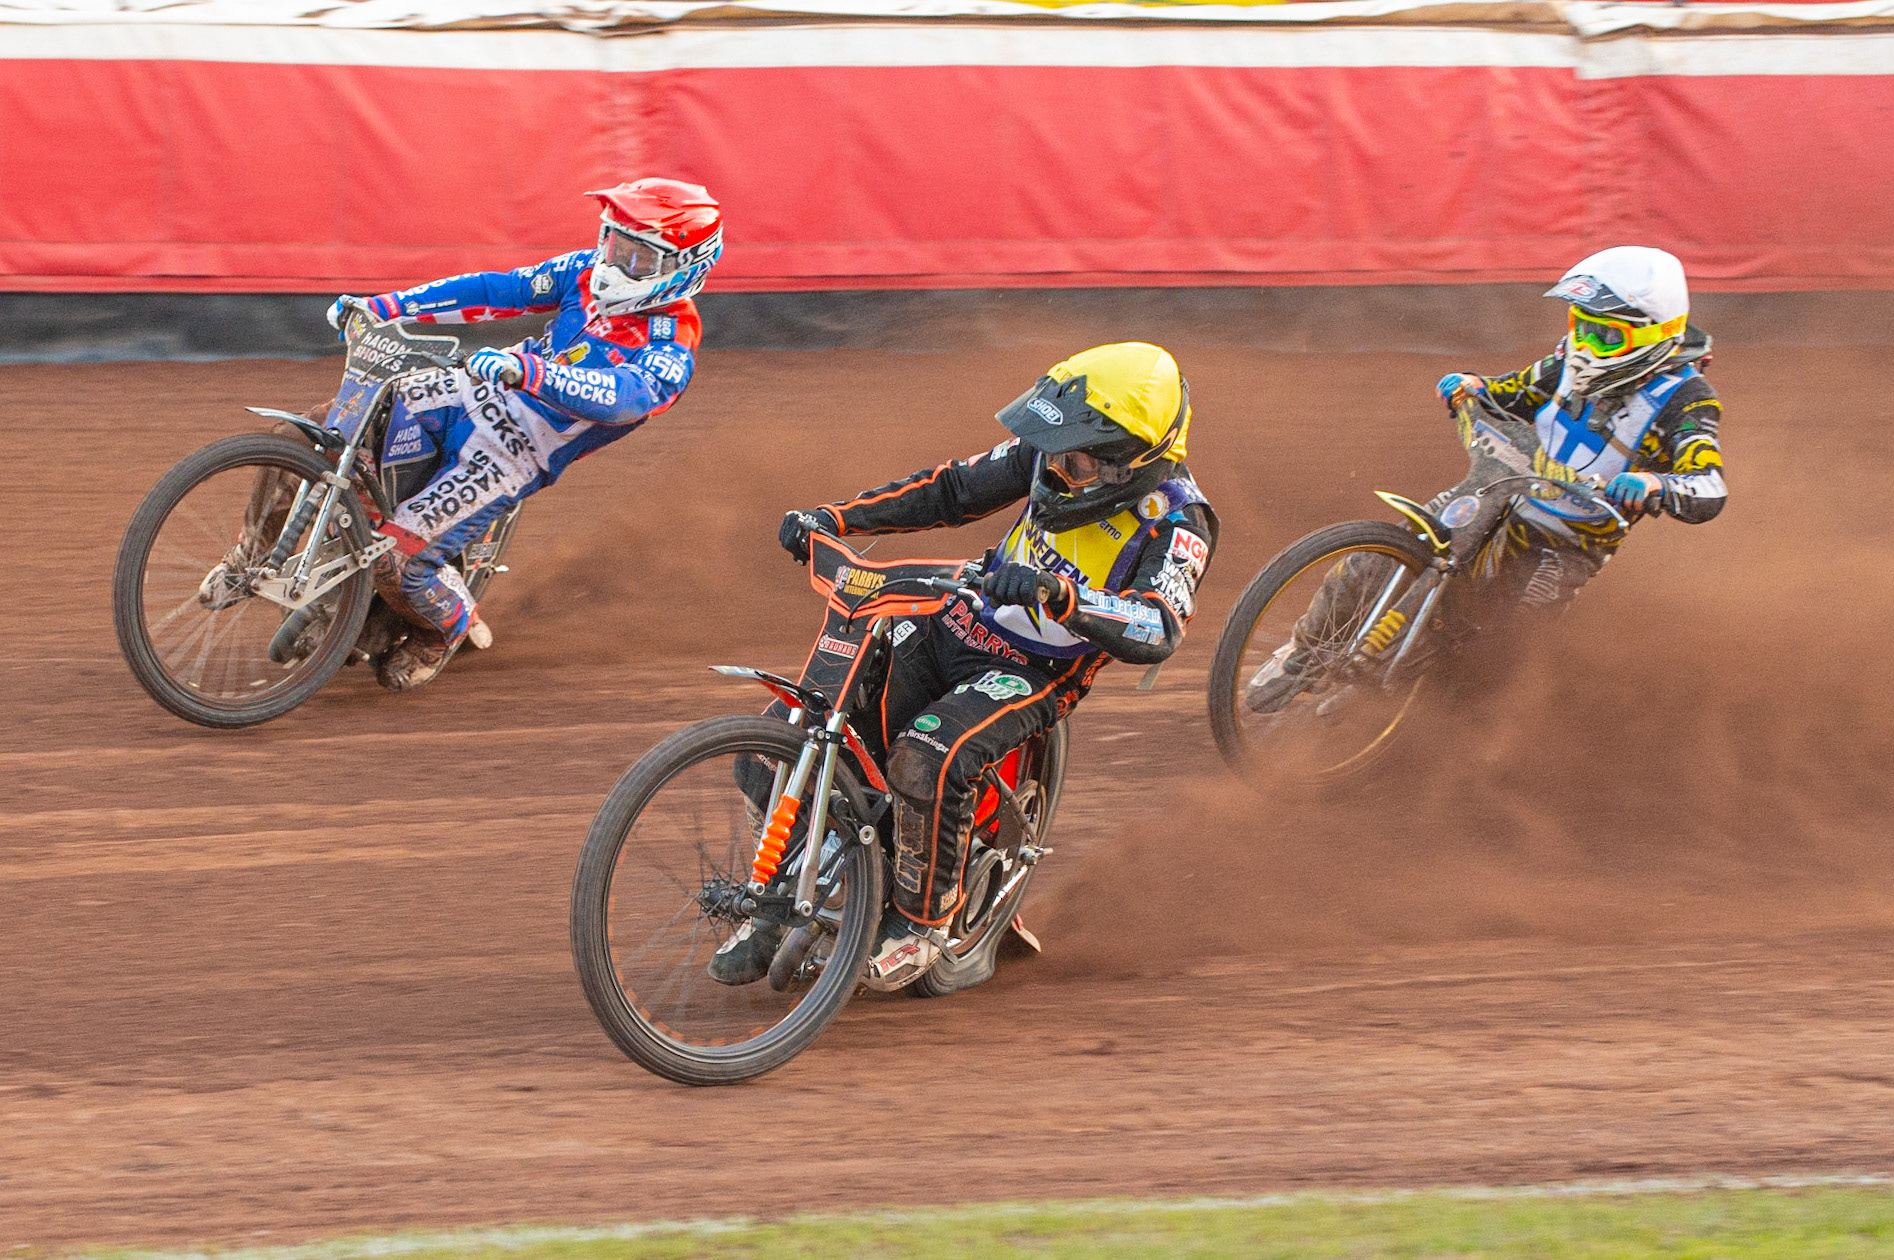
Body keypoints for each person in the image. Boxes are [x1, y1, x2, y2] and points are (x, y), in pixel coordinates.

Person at [710, 342, 1219, 991]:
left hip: (1037, 668)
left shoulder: (1178, 522)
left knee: (928, 754)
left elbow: (1157, 625)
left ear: (1129, 463)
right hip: (953, 617)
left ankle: (920, 925)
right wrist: (836, 518)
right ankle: (784, 892)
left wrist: (1059, 594)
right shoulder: (1048, 454)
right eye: (1051, 448)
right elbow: (951, 491)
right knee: (786, 733)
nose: (1054, 467)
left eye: (1076, 459)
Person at [1249, 244, 1727, 712]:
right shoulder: (1567, 362)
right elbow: (1515, 392)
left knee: (1497, 658)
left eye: (1605, 336)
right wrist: (1476, 386)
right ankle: (1303, 653)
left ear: (1653, 336)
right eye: (1580, 327)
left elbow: (1708, 484)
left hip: (1565, 541)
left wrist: (1657, 486)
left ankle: (1425, 717)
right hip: (1497, 490)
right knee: (1375, 559)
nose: (1585, 346)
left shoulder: (1686, 399)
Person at [324, 177, 722, 690]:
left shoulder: (671, 343)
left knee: (398, 560)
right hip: (473, 387)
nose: (615, 262)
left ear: (683, 267)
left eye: (638, 256)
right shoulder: (585, 270)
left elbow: (624, 398)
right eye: (614, 242)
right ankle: (250, 557)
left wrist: (532, 373)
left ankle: (441, 631)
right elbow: (500, 290)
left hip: (516, 449)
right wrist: (386, 307)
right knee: (333, 430)